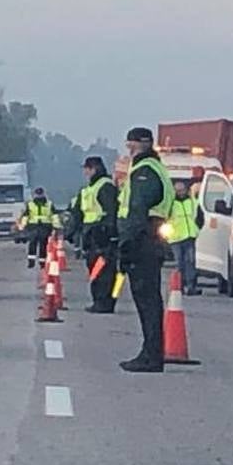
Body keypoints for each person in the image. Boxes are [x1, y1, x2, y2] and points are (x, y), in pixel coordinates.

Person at [116, 126, 174, 373]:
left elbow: (138, 211)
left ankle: (151, 355)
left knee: (147, 300)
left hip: (144, 240)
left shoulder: (144, 171)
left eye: (130, 143)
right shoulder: (155, 168)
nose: (128, 148)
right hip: (150, 238)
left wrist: (127, 245)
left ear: (137, 144)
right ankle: (151, 352)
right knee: (149, 299)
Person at [77, 156, 118, 314]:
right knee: (95, 270)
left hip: (102, 236)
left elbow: (111, 211)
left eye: (86, 169)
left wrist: (107, 233)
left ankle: (104, 302)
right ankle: (99, 301)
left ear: (93, 169)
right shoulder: (89, 189)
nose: (85, 172)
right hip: (91, 235)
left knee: (104, 272)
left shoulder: (105, 186)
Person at [164, 180, 204, 296]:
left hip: (190, 236)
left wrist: (197, 228)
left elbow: (199, 216)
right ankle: (179, 287)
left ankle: (191, 286)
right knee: (179, 263)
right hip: (176, 238)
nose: (180, 193)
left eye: (182, 190)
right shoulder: (170, 204)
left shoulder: (192, 202)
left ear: (186, 190)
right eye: (177, 191)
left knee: (190, 262)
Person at [22, 187, 56, 269]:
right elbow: (26, 215)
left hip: (43, 227)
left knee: (41, 245)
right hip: (36, 226)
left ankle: (40, 262)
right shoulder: (31, 204)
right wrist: (23, 225)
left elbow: (54, 216)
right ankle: (34, 262)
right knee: (34, 244)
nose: (38, 196)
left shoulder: (48, 204)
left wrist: (56, 227)